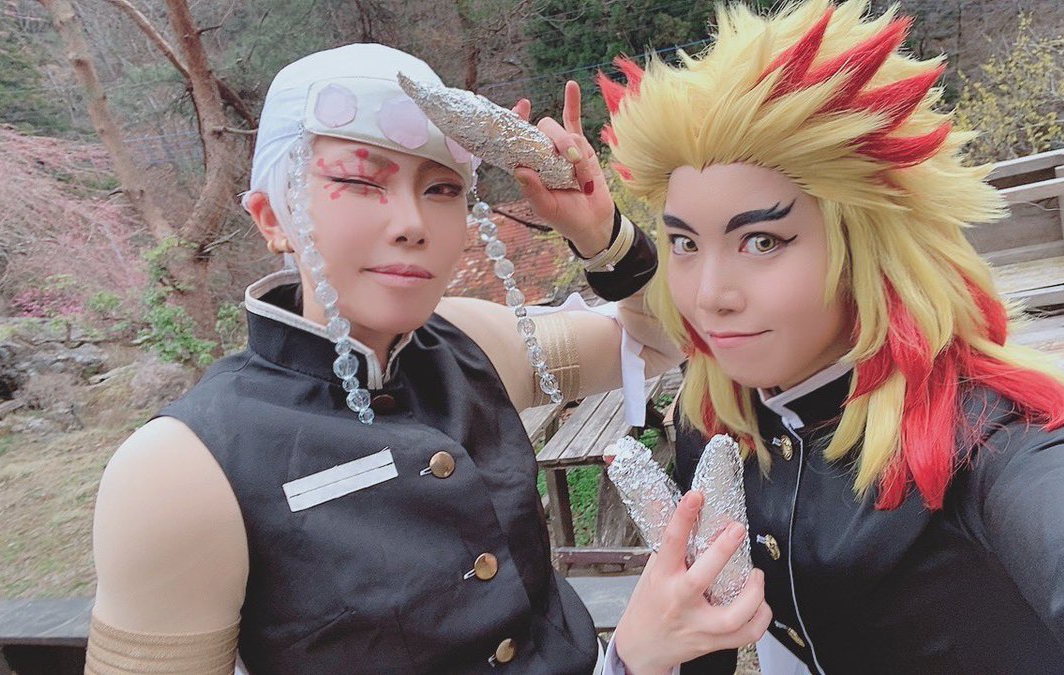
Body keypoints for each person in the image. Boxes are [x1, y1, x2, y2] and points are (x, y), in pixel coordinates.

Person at [598, 1, 1064, 673]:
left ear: (866, 246)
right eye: (684, 242)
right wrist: (634, 658)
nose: (709, 294)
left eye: (761, 240)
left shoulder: (987, 435)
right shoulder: (716, 423)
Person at [85, 44, 680, 674]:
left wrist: (599, 233)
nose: (412, 222)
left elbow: (659, 339)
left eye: (442, 188)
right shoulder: (183, 468)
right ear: (272, 217)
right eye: (359, 182)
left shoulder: (472, 340)